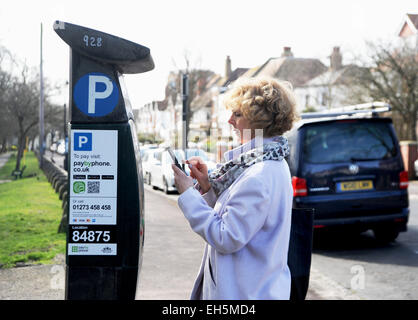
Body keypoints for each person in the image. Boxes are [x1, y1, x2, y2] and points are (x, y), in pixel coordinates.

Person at [171, 76, 299, 300]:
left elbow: (226, 236)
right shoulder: (267, 163)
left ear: (261, 121)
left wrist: (188, 194)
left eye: (238, 114)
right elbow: (236, 218)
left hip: (244, 295)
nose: (229, 120)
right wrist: (206, 186)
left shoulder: (258, 175)